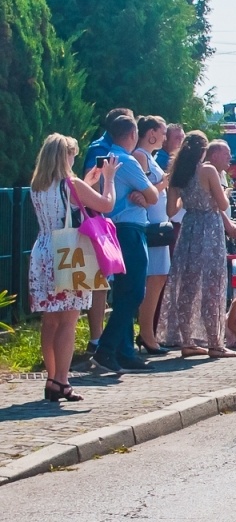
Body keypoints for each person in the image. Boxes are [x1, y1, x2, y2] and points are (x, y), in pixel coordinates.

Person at [29, 134, 115, 401]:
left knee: (50, 320)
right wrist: (109, 178)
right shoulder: (71, 183)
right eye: (72, 155)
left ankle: (51, 378)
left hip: (44, 250)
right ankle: (62, 380)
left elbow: (64, 205)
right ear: (64, 156)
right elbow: (106, 204)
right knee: (69, 320)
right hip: (68, 253)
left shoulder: (38, 185)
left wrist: (86, 183)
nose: (74, 160)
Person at [159, 131, 236, 358]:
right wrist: (224, 191)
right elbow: (223, 203)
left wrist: (186, 197)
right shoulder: (207, 170)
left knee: (188, 286)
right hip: (209, 229)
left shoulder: (178, 173)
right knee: (212, 285)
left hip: (189, 229)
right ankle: (215, 343)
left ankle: (187, 341)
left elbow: (171, 210)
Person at [94, 113, 160, 373]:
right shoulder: (127, 160)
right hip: (130, 229)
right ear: (133, 134)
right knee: (134, 292)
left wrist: (139, 194)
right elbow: (153, 195)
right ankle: (106, 348)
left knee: (122, 293)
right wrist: (142, 193)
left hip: (113, 228)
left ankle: (124, 351)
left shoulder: (106, 158)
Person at [81, 107, 132, 367]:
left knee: (105, 282)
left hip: (106, 220)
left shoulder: (114, 149)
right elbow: (93, 184)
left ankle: (104, 339)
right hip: (97, 220)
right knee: (99, 281)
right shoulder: (100, 149)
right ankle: (96, 339)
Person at [134, 116, 173, 355]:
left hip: (159, 226)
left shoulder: (149, 157)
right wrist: (163, 183)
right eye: (162, 132)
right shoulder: (140, 156)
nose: (165, 137)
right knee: (154, 279)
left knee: (158, 278)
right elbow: (146, 193)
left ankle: (149, 331)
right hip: (152, 227)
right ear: (151, 133)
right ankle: (147, 334)